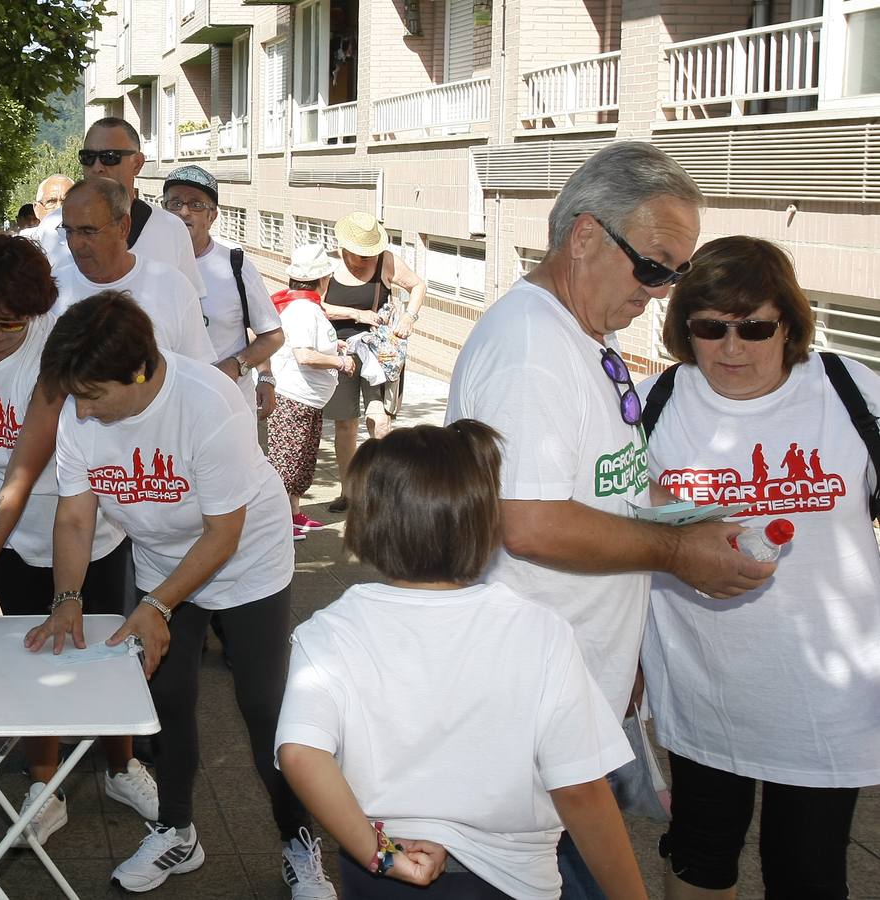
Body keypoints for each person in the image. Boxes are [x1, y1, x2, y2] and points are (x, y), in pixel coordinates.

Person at [446, 141, 774, 896]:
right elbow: (525, 521)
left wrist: (686, 517)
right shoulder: (533, 350)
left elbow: (604, 483)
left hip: (570, 678)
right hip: (528, 695)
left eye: (677, 273)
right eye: (656, 266)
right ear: (586, 235)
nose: (662, 292)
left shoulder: (585, 333)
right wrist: (676, 551)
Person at [25, 293, 335, 899]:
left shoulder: (208, 404)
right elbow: (75, 516)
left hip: (247, 563)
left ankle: (298, 840)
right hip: (164, 563)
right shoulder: (80, 410)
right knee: (165, 702)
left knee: (263, 707)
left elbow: (225, 531)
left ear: (138, 373)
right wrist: (67, 595)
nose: (80, 414)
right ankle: (177, 830)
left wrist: (159, 605)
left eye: (91, 398)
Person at [276, 422, 645, 900]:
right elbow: (580, 789)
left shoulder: (327, 632)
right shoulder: (539, 633)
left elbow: (301, 753)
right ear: (486, 524)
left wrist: (379, 854)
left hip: (382, 878)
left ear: (365, 525)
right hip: (511, 881)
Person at [635, 236, 880, 900]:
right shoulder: (649, 407)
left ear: (789, 324)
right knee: (699, 858)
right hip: (704, 688)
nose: (732, 347)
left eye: (755, 327)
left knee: (808, 872)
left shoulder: (847, 390)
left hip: (828, 697)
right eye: (710, 328)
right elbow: (603, 517)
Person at [0, 234, 155, 846]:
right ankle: (44, 783)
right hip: (3, 537)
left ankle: (121, 765)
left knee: (105, 650)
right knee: (37, 653)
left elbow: (24, 469)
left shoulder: (55, 346)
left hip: (80, 528)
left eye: (12, 323)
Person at [322, 212, 425, 512]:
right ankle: (349, 491)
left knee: (380, 422)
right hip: (341, 353)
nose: (361, 260)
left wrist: (409, 316)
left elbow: (418, 286)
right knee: (345, 425)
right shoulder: (329, 264)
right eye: (357, 253)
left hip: (380, 355)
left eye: (367, 254)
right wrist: (354, 314)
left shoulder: (387, 262)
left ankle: (383, 490)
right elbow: (316, 305)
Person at [161, 164, 283, 415]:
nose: (184, 212)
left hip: (227, 409)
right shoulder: (149, 264)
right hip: (167, 409)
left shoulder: (235, 266)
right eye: (175, 203)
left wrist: (237, 365)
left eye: (196, 204)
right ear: (163, 210)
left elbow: (273, 335)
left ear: (212, 216)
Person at [37, 117, 205, 298]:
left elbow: (190, 304)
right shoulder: (51, 229)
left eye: (109, 158)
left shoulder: (171, 228)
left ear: (137, 163)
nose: (97, 167)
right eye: (88, 158)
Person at [50, 177, 213, 363]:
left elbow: (198, 372)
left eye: (88, 231)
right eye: (69, 231)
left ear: (123, 227)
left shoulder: (174, 287)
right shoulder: (52, 287)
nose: (75, 244)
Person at [268, 244, 353, 540]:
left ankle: (293, 514)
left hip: (307, 400)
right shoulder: (304, 309)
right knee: (288, 462)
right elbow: (304, 355)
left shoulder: (305, 306)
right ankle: (280, 522)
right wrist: (339, 361)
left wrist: (334, 346)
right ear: (323, 280)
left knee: (301, 462)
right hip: (294, 397)